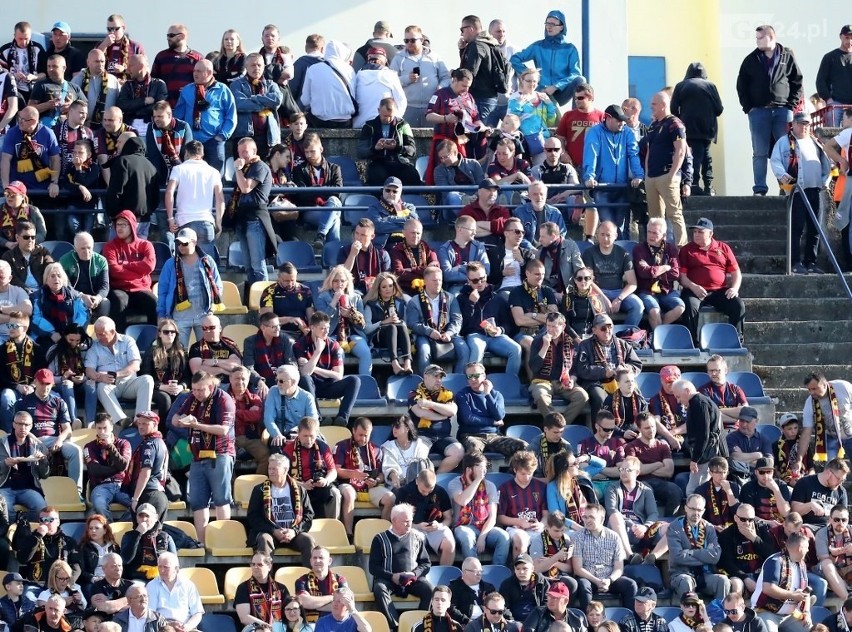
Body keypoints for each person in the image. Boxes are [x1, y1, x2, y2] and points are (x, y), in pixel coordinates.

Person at [736, 25, 803, 196]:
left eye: (760, 37)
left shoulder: (787, 56)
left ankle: (785, 186)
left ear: (771, 37)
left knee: (785, 150)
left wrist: (791, 105)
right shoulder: (751, 59)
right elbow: (741, 85)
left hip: (782, 111)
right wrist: (749, 108)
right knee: (760, 151)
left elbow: (797, 81)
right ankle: (760, 188)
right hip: (759, 112)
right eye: (756, 38)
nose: (757, 41)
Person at [172, 370, 235, 545]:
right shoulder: (193, 397)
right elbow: (174, 418)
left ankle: (224, 541)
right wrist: (181, 421)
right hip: (197, 456)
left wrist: (196, 425)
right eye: (194, 389)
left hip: (219, 454)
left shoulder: (224, 399)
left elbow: (223, 429)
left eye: (201, 390)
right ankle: (202, 542)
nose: (197, 393)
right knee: (199, 503)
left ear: (211, 386)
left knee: (221, 499)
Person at [770, 112, 831, 275]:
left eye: (807, 124)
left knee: (815, 228)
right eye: (801, 124)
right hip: (797, 191)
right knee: (796, 227)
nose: (804, 127)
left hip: (814, 190)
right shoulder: (784, 142)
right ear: (794, 125)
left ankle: (811, 261)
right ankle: (795, 262)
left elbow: (826, 164)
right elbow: (775, 161)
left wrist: (825, 181)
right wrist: (784, 177)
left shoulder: (815, 142)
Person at [16, 366, 83, 494]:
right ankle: (33, 490)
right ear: (35, 382)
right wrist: (38, 443)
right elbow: (20, 429)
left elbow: (67, 429)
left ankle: (76, 492)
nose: (45, 387)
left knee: (76, 451)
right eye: (42, 383)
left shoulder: (59, 402)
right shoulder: (23, 402)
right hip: (32, 440)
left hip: (54, 439)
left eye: (48, 384)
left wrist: (59, 440)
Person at [678, 217, 746, 342]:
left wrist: (734, 288)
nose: (696, 235)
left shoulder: (723, 248)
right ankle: (692, 342)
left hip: (719, 290)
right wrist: (694, 287)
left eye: (701, 232)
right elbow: (682, 277)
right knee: (689, 305)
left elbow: (736, 272)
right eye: (695, 232)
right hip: (694, 290)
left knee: (738, 305)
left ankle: (736, 340)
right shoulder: (686, 250)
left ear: (710, 233)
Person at [583, 105, 644, 240]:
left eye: (623, 120)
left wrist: (639, 175)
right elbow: (591, 155)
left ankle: (620, 255)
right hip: (602, 188)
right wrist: (589, 176)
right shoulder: (595, 132)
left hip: (622, 188)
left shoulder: (627, 132)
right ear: (608, 118)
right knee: (608, 225)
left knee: (620, 227)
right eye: (619, 120)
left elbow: (633, 154)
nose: (622, 123)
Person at [156, 227, 224, 348]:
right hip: (179, 317)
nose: (181, 246)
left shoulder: (208, 261)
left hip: (203, 315)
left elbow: (217, 286)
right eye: (178, 243)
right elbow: (163, 291)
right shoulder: (170, 264)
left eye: (184, 243)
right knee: (178, 354)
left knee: (206, 353)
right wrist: (161, 315)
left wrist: (211, 311)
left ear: (194, 242)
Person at [246, 452, 316, 567]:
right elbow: (253, 517)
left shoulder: (299, 489)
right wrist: (273, 531)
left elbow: (308, 515)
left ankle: (311, 579)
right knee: (264, 539)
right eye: (269, 468)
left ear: (285, 470)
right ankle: (265, 581)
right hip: (269, 532)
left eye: (275, 469)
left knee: (307, 540)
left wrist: (294, 531)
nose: (271, 471)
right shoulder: (259, 490)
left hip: (293, 533)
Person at [294, 312, 362, 428]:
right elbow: (305, 373)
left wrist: (313, 368)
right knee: (305, 379)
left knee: (354, 380)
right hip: (310, 387)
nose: (326, 331)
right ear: (312, 328)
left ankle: (342, 418)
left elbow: (338, 375)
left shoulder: (333, 345)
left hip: (329, 385)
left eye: (328, 328)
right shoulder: (300, 345)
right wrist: (318, 351)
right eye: (322, 328)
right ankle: (318, 418)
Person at [369, 503, 432, 629]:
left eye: (411, 521)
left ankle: (419, 625)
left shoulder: (417, 537)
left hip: (412, 579)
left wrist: (414, 574)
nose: (409, 524)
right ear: (394, 520)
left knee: (429, 589)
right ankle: (396, 626)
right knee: (379, 589)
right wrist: (392, 576)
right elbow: (373, 567)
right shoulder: (380, 539)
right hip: (389, 579)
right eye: (405, 521)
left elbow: (426, 563)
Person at [85, 316, 154, 427]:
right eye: (96, 334)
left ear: (112, 332)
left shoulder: (128, 341)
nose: (98, 337)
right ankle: (122, 420)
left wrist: (117, 374)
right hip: (109, 384)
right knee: (101, 387)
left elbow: (135, 365)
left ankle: (141, 419)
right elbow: (89, 370)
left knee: (147, 380)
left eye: (101, 334)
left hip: (129, 382)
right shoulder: (94, 345)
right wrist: (99, 377)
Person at [455, 261, 520, 375]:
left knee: (516, 349)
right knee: (477, 349)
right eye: (475, 281)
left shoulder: (496, 298)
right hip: (475, 335)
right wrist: (471, 304)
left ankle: (510, 383)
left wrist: (500, 330)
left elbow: (508, 324)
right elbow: (462, 327)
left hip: (495, 337)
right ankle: (472, 384)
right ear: (468, 281)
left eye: (482, 278)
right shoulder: (461, 298)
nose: (480, 283)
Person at [641, 91, 688, 246]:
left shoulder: (675, 123)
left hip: (667, 175)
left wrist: (672, 174)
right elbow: (649, 149)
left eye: (654, 104)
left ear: (663, 105)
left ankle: (681, 249)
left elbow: (681, 150)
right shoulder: (653, 125)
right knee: (655, 218)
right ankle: (658, 249)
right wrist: (647, 173)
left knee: (674, 214)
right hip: (652, 177)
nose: (651, 107)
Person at [173, 59, 236, 176]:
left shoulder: (222, 90)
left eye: (199, 71)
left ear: (209, 73)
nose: (195, 73)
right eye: (194, 71)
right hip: (191, 141)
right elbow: (178, 116)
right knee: (191, 177)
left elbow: (231, 116)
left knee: (215, 178)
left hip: (214, 141)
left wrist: (221, 136)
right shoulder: (187, 90)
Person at [424, 69, 486, 187]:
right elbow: (429, 116)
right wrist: (446, 118)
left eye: (468, 87)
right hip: (444, 142)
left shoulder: (469, 97)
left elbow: (476, 118)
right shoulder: (440, 94)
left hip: (464, 141)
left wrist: (482, 127)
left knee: (465, 174)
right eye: (464, 85)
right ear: (455, 80)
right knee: (444, 174)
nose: (466, 89)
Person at [606, 453, 671, 564]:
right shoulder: (612, 488)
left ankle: (652, 557)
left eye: (628, 470)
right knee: (616, 516)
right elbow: (612, 510)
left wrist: (645, 527)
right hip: (621, 529)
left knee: (672, 528)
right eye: (621, 469)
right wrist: (632, 525)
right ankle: (629, 554)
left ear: (637, 472)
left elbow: (653, 513)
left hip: (643, 531)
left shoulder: (646, 490)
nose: (623, 472)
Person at [576, 313, 643, 419]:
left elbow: (636, 364)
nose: (607, 331)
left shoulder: (623, 344)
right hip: (597, 382)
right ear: (594, 330)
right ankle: (600, 432)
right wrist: (603, 372)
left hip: (620, 379)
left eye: (610, 327)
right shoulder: (585, 345)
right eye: (603, 328)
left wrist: (627, 368)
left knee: (635, 392)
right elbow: (582, 369)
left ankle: (634, 426)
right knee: (600, 398)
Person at [163, 140, 224, 256]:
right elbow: (220, 200)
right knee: (206, 266)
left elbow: (169, 192)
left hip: (184, 221)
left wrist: (170, 218)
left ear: (186, 153)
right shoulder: (214, 172)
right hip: (206, 222)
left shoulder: (178, 169)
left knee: (184, 265)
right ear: (202, 154)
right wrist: (218, 222)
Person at [671, 63, 724, 196]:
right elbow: (719, 109)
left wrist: (681, 120)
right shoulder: (710, 86)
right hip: (707, 129)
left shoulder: (681, 86)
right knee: (706, 156)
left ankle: (693, 184)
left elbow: (673, 109)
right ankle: (708, 186)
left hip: (688, 128)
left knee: (691, 156)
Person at [449, 451, 510, 566]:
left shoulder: (490, 486)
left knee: (503, 537)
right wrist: (476, 481)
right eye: (480, 467)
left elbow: (492, 517)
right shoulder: (455, 484)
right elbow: (463, 500)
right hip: (463, 526)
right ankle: (474, 571)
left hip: (484, 526)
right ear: (469, 469)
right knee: (466, 536)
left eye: (485, 467)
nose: (484, 471)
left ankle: (497, 571)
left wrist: (482, 536)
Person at [335, 417, 395, 534]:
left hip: (369, 486)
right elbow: (336, 470)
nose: (363, 439)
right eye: (360, 435)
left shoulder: (377, 449)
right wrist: (353, 473)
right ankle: (348, 534)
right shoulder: (342, 446)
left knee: (390, 498)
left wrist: (377, 480)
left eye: (366, 435)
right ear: (353, 431)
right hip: (348, 483)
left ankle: (384, 533)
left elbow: (382, 474)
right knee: (349, 494)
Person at [405, 265, 467, 374]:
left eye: (440, 280)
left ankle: (458, 380)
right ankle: (426, 382)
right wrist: (429, 331)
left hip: (448, 333)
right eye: (434, 280)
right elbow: (412, 324)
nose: (438, 283)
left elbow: (457, 319)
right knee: (424, 351)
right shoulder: (414, 301)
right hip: (425, 334)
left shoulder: (450, 298)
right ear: (425, 281)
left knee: (464, 350)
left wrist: (450, 333)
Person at [667, 494, 730, 602]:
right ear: (686, 508)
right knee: (686, 581)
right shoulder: (675, 527)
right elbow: (678, 557)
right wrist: (704, 555)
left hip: (705, 575)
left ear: (704, 511)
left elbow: (715, 556)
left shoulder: (709, 528)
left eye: (699, 510)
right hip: (682, 574)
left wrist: (691, 553)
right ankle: (690, 617)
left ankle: (719, 615)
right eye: (693, 509)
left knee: (723, 580)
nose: (696, 513)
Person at [528, 312, 588, 422]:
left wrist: (572, 380)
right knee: (541, 396)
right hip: (542, 380)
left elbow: (575, 368)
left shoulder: (571, 343)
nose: (550, 330)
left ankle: (560, 427)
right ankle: (553, 426)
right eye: (548, 326)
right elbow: (534, 368)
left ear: (563, 326)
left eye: (554, 326)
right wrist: (545, 346)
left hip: (563, 381)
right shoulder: (538, 341)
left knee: (582, 396)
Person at [102, 211, 156, 331]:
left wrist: (125, 265)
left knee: (153, 302)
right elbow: (115, 271)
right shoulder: (109, 247)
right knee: (119, 301)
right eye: (117, 224)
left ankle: (156, 341)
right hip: (119, 287)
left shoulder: (146, 245)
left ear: (132, 225)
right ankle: (118, 340)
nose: (119, 228)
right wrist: (138, 271)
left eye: (123, 225)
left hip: (141, 288)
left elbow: (149, 266)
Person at [581, 222, 643, 325]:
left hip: (618, 292)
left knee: (638, 305)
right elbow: (588, 281)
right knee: (597, 308)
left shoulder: (623, 254)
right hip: (597, 292)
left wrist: (619, 298)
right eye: (602, 234)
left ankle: (626, 334)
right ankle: (602, 337)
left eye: (608, 235)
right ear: (597, 234)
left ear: (615, 236)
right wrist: (603, 298)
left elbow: (632, 283)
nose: (605, 238)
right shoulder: (589, 253)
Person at [751, 532, 813, 632]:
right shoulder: (775, 561)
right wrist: (792, 595)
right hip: (767, 612)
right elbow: (768, 588)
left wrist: (806, 612)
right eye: (807, 547)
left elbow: (806, 592)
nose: (808, 550)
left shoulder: (801, 564)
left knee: (810, 630)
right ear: (800, 548)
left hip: (790, 615)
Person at [389, 26, 450, 128]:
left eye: (412, 40)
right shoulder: (398, 58)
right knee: (408, 140)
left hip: (432, 107)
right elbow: (390, 81)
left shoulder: (434, 57)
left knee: (431, 140)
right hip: (408, 107)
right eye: (406, 40)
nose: (409, 43)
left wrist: (441, 87)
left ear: (421, 40)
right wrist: (407, 79)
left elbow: (446, 77)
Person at [315, 266, 371, 376]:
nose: (339, 283)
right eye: (335, 280)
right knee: (340, 353)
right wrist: (334, 302)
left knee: (365, 353)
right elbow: (321, 321)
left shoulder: (356, 297)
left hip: (353, 335)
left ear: (347, 282)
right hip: (332, 334)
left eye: (342, 281)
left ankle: (366, 383)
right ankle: (340, 383)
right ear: (331, 281)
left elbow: (362, 325)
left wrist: (351, 316)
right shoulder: (323, 297)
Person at [407, 364, 464, 472]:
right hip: (422, 435)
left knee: (458, 451)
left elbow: (452, 411)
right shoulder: (414, 393)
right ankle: (422, 483)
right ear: (426, 376)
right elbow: (421, 413)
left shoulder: (447, 393)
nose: (438, 380)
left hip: (443, 436)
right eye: (435, 376)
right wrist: (443, 415)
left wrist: (430, 404)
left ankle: (436, 480)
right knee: (419, 457)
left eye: (440, 377)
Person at [290, 133, 343, 249]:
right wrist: (322, 190)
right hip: (311, 209)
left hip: (330, 206)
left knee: (334, 203)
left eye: (312, 151)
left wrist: (314, 191)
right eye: (306, 152)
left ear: (321, 149)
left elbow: (338, 191)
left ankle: (321, 235)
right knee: (334, 219)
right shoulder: (299, 169)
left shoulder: (334, 168)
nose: (309, 155)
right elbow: (301, 195)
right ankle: (332, 263)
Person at [283, 417, 341, 519]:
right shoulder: (288, 449)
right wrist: (302, 484)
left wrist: (326, 480)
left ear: (317, 434)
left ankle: (331, 526)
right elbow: (283, 476)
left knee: (335, 494)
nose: (309, 440)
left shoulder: (323, 447)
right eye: (305, 436)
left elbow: (332, 471)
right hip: (298, 485)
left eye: (312, 436)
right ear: (298, 433)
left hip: (320, 486)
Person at [632, 217, 685, 329]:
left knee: (680, 307)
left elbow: (675, 273)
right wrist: (665, 267)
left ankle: (658, 332)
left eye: (655, 233)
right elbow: (642, 273)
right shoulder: (639, 249)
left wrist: (652, 270)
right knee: (655, 311)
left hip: (666, 290)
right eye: (649, 232)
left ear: (664, 235)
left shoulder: (671, 249)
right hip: (646, 290)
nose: (651, 235)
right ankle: (658, 336)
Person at [396, 468, 455, 566]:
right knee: (410, 543)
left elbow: (448, 518)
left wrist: (440, 525)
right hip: (413, 528)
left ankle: (444, 573)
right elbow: (398, 520)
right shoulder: (404, 492)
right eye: (423, 491)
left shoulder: (440, 492)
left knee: (450, 544)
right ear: (417, 482)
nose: (426, 493)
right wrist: (416, 526)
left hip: (435, 529)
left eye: (430, 490)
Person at [356, 98, 420, 186]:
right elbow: (360, 152)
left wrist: (398, 147)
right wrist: (374, 149)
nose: (388, 119)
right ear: (378, 111)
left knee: (412, 175)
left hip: (400, 162)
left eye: (391, 116)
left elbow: (412, 150)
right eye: (385, 116)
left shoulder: (403, 125)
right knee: (376, 176)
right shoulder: (369, 126)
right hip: (378, 162)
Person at [231, 53, 283, 160]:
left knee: (266, 170)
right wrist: (264, 104)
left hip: (268, 137)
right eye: (253, 65)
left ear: (264, 66)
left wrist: (254, 98)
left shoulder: (271, 85)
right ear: (246, 67)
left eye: (259, 65)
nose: (256, 68)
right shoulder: (236, 85)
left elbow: (276, 100)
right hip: (245, 136)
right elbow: (239, 104)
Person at [496, 451, 548, 558]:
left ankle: (540, 573)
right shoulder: (505, 488)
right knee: (521, 541)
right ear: (515, 470)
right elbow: (500, 518)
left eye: (530, 473)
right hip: (515, 528)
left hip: (536, 528)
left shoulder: (541, 487)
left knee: (547, 542)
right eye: (523, 473)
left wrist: (541, 524)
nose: (527, 477)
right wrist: (519, 521)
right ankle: (519, 572)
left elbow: (546, 514)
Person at [718, 503, 776, 596]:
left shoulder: (761, 529)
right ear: (736, 518)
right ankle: (737, 608)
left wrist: (754, 538)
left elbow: (771, 555)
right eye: (743, 519)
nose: (747, 523)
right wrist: (745, 578)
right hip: (740, 574)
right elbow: (727, 563)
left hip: (760, 572)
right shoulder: (727, 535)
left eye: (750, 520)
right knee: (737, 585)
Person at [15, 505, 80, 587]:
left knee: (78, 599)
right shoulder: (31, 538)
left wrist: (67, 583)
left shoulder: (68, 542)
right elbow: (22, 559)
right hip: (36, 585)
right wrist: (37, 536)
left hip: (62, 584)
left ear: (58, 522)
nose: (46, 523)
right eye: (43, 520)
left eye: (50, 520)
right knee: (28, 598)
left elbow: (76, 568)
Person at [1, 106, 61, 196]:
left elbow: (55, 159)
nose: (20, 121)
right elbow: (5, 159)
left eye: (23, 119)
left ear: (33, 121)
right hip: (17, 189)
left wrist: (54, 182)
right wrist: (6, 186)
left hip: (42, 188)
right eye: (19, 118)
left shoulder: (48, 133)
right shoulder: (12, 133)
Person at [0, 410, 48, 519]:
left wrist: (42, 461)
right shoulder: (2, 443)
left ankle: (28, 532)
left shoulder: (37, 445)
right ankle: (9, 534)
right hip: (4, 487)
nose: (23, 427)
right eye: (20, 424)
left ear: (31, 426)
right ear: (13, 424)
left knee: (40, 508)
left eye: (26, 425)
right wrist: (5, 463)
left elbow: (44, 475)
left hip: (28, 488)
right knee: (5, 510)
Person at [458, 15, 506, 126]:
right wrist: (462, 50)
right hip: (488, 98)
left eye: (462, 29)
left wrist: (455, 73)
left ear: (471, 29)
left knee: (479, 135)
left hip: (480, 99)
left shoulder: (477, 45)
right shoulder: (488, 43)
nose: (461, 33)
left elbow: (470, 72)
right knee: (482, 134)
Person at [0, 311, 44, 430]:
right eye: (9, 325)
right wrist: (17, 386)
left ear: (25, 328)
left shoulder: (37, 349)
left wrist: (33, 386)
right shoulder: (2, 349)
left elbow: (42, 373)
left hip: (33, 388)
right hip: (12, 388)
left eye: (14, 326)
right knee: (6, 396)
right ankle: (8, 434)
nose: (10, 329)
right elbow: (0, 376)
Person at [362, 272, 412, 375]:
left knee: (401, 326)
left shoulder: (400, 302)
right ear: (378, 289)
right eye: (384, 287)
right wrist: (383, 322)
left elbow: (408, 325)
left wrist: (400, 322)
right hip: (379, 338)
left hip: (399, 337)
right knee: (391, 327)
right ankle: (395, 364)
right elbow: (366, 329)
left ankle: (407, 363)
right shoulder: (371, 304)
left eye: (390, 285)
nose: (388, 289)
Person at [83, 415, 131, 521]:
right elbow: (94, 470)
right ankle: (110, 531)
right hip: (101, 486)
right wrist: (117, 469)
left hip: (122, 486)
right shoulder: (89, 446)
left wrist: (110, 447)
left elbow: (123, 465)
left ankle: (118, 527)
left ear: (112, 427)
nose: (102, 431)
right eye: (99, 428)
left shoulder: (124, 443)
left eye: (105, 428)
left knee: (138, 506)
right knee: (99, 506)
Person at [300, 41, 356, 129]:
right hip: (345, 120)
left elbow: (305, 100)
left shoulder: (313, 68)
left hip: (320, 120)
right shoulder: (349, 69)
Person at [799, 372, 852, 464]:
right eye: (809, 390)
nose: (812, 393)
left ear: (825, 384)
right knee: (830, 468)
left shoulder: (843, 387)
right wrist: (799, 460)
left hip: (850, 433)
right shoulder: (810, 403)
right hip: (830, 436)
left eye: (815, 389)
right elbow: (807, 432)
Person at [139, 320, 187, 423]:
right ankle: (163, 431)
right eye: (166, 332)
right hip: (156, 388)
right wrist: (161, 387)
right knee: (165, 399)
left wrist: (181, 386)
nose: (169, 334)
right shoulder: (152, 351)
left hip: (176, 388)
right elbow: (145, 375)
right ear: (160, 334)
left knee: (184, 396)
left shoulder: (182, 352)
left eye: (172, 332)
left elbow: (188, 376)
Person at [30, 263, 88, 347]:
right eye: (52, 276)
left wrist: (73, 331)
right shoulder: (37, 297)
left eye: (59, 276)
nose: (56, 279)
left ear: (63, 278)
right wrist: (52, 333)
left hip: (73, 335)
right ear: (46, 279)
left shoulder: (74, 295)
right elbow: (36, 318)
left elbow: (83, 314)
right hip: (46, 335)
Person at [507, 68, 557, 163]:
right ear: (522, 80)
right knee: (524, 173)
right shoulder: (515, 98)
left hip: (541, 141)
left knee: (540, 172)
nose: (532, 84)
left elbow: (551, 121)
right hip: (523, 143)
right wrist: (519, 105)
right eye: (528, 81)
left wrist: (550, 104)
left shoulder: (542, 97)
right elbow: (510, 122)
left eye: (534, 81)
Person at [145, 552, 203, 631]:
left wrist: (188, 626)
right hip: (162, 627)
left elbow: (197, 613)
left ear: (176, 569)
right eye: (159, 567)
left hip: (186, 627)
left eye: (166, 567)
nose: (162, 570)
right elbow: (150, 614)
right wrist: (167, 624)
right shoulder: (151, 586)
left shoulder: (188, 585)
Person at [59, 232, 110, 322]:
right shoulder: (65, 261)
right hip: (74, 296)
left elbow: (104, 286)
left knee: (105, 303)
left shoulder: (101, 261)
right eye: (82, 248)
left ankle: (98, 329)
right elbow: (66, 286)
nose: (86, 251)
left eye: (89, 248)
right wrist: (81, 296)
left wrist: (98, 298)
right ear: (75, 249)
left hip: (94, 297)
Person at [352, 49, 407, 129]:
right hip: (384, 124)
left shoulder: (357, 76)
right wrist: (394, 118)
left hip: (360, 124)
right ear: (384, 60)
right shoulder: (390, 75)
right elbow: (401, 101)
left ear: (368, 59)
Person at [264, 364, 318, 444]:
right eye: (277, 380)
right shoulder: (273, 391)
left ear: (293, 382)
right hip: (279, 437)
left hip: (301, 437)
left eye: (281, 381)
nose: (278, 384)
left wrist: (298, 437)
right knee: (276, 450)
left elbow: (313, 423)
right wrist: (277, 435)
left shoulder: (307, 398)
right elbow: (268, 419)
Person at [234, 551, 289, 631]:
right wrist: (266, 627)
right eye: (253, 564)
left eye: (259, 564)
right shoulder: (243, 587)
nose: (255, 567)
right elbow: (244, 617)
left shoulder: (281, 588)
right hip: (254, 628)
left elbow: (288, 611)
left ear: (269, 567)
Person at [116, 54, 168, 138]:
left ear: (141, 66)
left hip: (153, 128)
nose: (128, 69)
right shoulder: (127, 85)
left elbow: (159, 107)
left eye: (131, 66)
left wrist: (134, 108)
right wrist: (144, 101)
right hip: (129, 129)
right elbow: (121, 105)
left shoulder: (159, 84)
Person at [790, 458, 849, 530]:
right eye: (839, 479)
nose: (840, 483)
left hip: (830, 529)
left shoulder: (841, 491)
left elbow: (844, 516)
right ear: (829, 473)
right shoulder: (805, 483)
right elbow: (794, 510)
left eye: (843, 480)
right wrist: (810, 505)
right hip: (807, 527)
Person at [295, 547, 349, 623]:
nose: (317, 560)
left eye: (321, 558)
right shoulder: (302, 580)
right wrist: (333, 598)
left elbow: (345, 604)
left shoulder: (340, 579)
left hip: (336, 624)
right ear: (310, 561)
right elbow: (304, 602)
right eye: (314, 558)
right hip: (310, 625)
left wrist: (314, 605)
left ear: (329, 561)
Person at [338, 219, 391, 295]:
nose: (358, 238)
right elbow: (341, 275)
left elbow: (386, 279)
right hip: (353, 290)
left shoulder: (382, 254)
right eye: (357, 233)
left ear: (372, 236)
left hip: (376, 291)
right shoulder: (344, 251)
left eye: (363, 235)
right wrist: (352, 255)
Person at [380, 414, 431, 491]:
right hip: (397, 486)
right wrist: (394, 476)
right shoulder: (388, 446)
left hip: (417, 485)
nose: (394, 429)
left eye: (397, 426)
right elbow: (389, 466)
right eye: (393, 426)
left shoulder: (419, 445)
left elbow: (421, 464)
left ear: (407, 428)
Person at [0, 22, 47, 105]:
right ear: (14, 36)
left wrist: (34, 77)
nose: (24, 42)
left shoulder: (38, 49)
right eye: (20, 39)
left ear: (30, 36)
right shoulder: (5, 50)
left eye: (26, 39)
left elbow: (45, 74)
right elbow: (1, 75)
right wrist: (13, 76)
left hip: (34, 90)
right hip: (12, 91)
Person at [70, 50, 119, 129]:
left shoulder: (113, 80)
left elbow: (119, 104)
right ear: (88, 62)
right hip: (83, 128)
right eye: (96, 61)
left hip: (106, 129)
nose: (100, 64)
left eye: (102, 61)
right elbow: (71, 104)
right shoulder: (78, 80)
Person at [390, 218, 439, 295]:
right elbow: (398, 273)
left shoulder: (427, 247)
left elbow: (435, 268)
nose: (415, 236)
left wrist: (411, 269)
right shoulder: (397, 250)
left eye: (418, 233)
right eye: (412, 233)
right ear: (404, 233)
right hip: (405, 290)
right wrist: (424, 272)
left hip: (428, 288)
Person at [816, 26, 852, 127]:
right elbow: (820, 80)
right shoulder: (830, 57)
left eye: (851, 37)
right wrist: (828, 99)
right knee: (832, 132)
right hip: (836, 103)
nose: (849, 40)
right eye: (847, 37)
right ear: (840, 37)